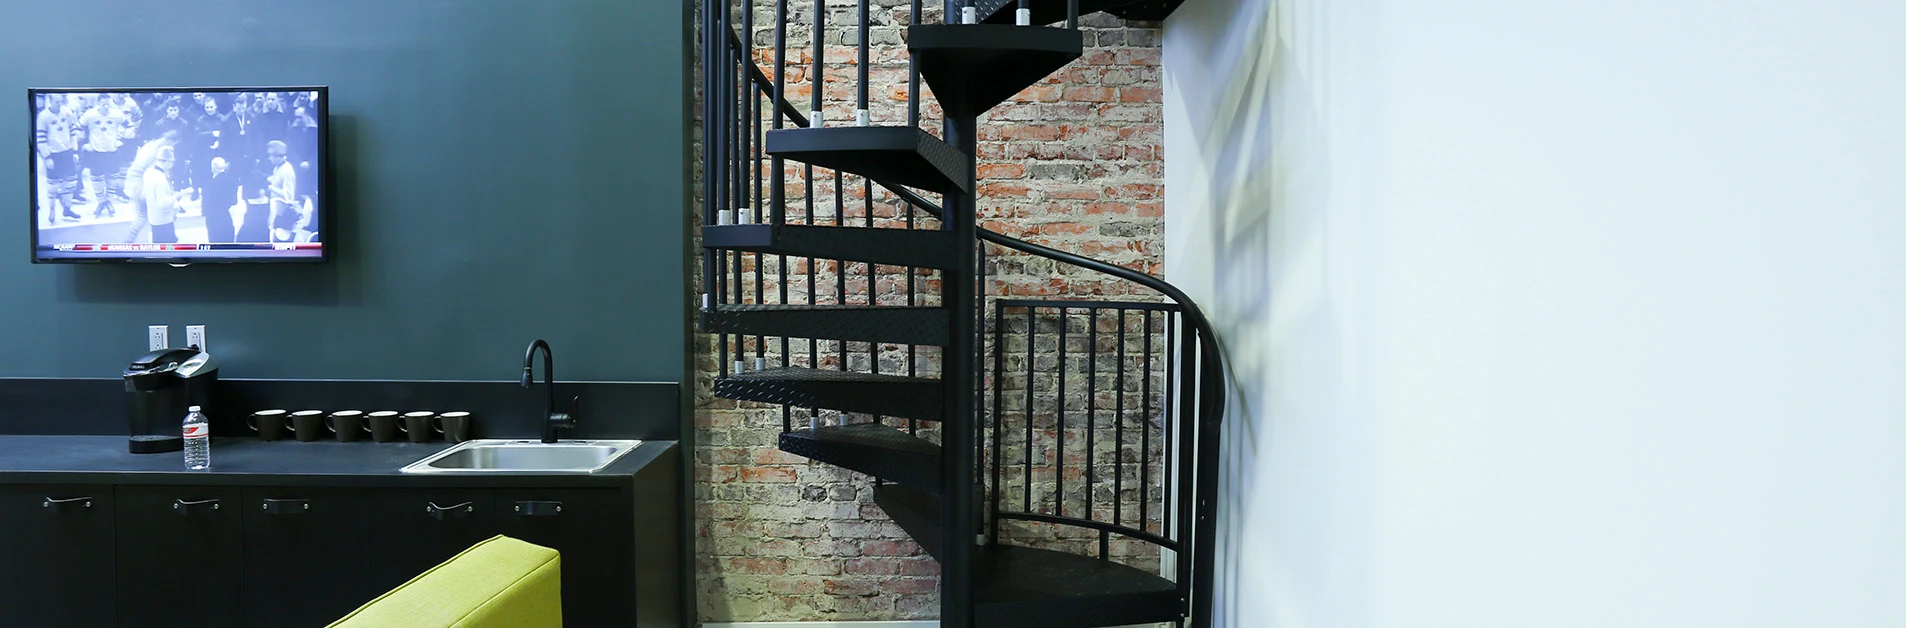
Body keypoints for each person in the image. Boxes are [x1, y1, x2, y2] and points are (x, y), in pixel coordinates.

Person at [122, 131, 182, 243]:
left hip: (145, 185)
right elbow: (137, 170)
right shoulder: (152, 150)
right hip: (141, 187)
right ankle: (128, 241)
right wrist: (141, 190)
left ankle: (169, 234)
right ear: (170, 141)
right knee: (143, 215)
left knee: (162, 211)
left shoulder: (154, 147)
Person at [35, 96, 81, 222]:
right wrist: (47, 157)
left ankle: (67, 209)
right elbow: (40, 139)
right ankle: (52, 209)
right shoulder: (43, 117)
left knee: (70, 182)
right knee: (53, 185)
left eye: (61, 101)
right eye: (57, 102)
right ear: (50, 101)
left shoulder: (67, 112)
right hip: (53, 155)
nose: (59, 104)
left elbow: (73, 132)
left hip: (67, 152)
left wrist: (75, 151)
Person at [142, 146, 187, 244]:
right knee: (167, 249)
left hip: (153, 217)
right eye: (171, 163)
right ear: (166, 162)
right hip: (163, 220)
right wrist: (176, 196)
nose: (171, 165)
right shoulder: (160, 180)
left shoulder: (148, 172)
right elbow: (162, 204)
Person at [265, 140, 299, 242]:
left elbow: (289, 197)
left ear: (278, 156)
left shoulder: (287, 171)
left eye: (271, 156)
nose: (269, 158)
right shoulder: (277, 167)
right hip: (274, 211)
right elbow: (276, 180)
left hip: (282, 215)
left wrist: (270, 188)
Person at [201, 157, 240, 243]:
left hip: (213, 218)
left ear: (213, 167)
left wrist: (204, 213)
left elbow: (206, 203)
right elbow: (234, 201)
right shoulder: (233, 180)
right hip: (226, 217)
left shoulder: (209, 184)